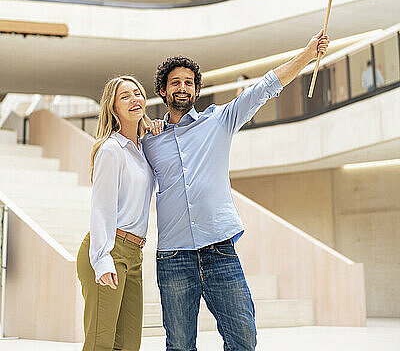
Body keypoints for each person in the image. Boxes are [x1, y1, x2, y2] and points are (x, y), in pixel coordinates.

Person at [143, 29, 330, 351]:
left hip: (220, 251)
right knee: (179, 346)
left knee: (243, 340)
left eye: (189, 82)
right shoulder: (149, 140)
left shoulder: (220, 120)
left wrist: (308, 53)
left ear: (197, 90)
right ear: (163, 90)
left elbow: (263, 88)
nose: (183, 87)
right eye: (175, 82)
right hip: (173, 257)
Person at [76, 75, 161, 351]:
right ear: (113, 108)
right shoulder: (111, 150)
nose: (134, 99)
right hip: (110, 250)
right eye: (125, 96)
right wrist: (101, 259)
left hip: (135, 253)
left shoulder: (141, 148)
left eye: (137, 93)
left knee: (128, 344)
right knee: (101, 344)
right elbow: (101, 208)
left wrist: (158, 130)